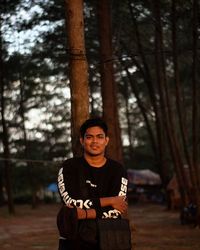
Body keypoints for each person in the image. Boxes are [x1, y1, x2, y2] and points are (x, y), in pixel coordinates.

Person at [57, 117, 128, 250]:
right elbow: (72, 202)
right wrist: (110, 200)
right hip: (74, 240)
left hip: (110, 238)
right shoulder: (69, 167)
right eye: (89, 137)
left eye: (99, 137)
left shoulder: (117, 170)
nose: (95, 141)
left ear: (106, 140)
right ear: (82, 141)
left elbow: (117, 209)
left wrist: (84, 214)